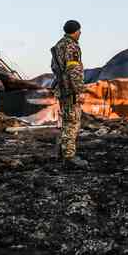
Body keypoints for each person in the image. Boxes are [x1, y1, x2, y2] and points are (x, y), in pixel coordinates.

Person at [51, 19, 88, 169]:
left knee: (66, 121)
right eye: (79, 31)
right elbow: (74, 70)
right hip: (71, 90)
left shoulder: (59, 45)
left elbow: (54, 67)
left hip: (62, 88)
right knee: (72, 123)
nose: (80, 33)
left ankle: (62, 151)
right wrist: (79, 90)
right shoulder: (72, 46)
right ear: (76, 31)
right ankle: (69, 157)